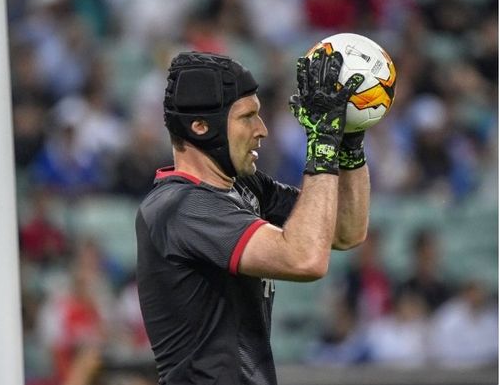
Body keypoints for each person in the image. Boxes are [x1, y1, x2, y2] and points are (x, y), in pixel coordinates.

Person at [135, 49, 371, 384]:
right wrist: (322, 145)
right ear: (201, 127)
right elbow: (305, 259)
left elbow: (345, 231)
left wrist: (348, 146)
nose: (262, 129)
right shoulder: (182, 207)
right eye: (248, 117)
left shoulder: (245, 187)